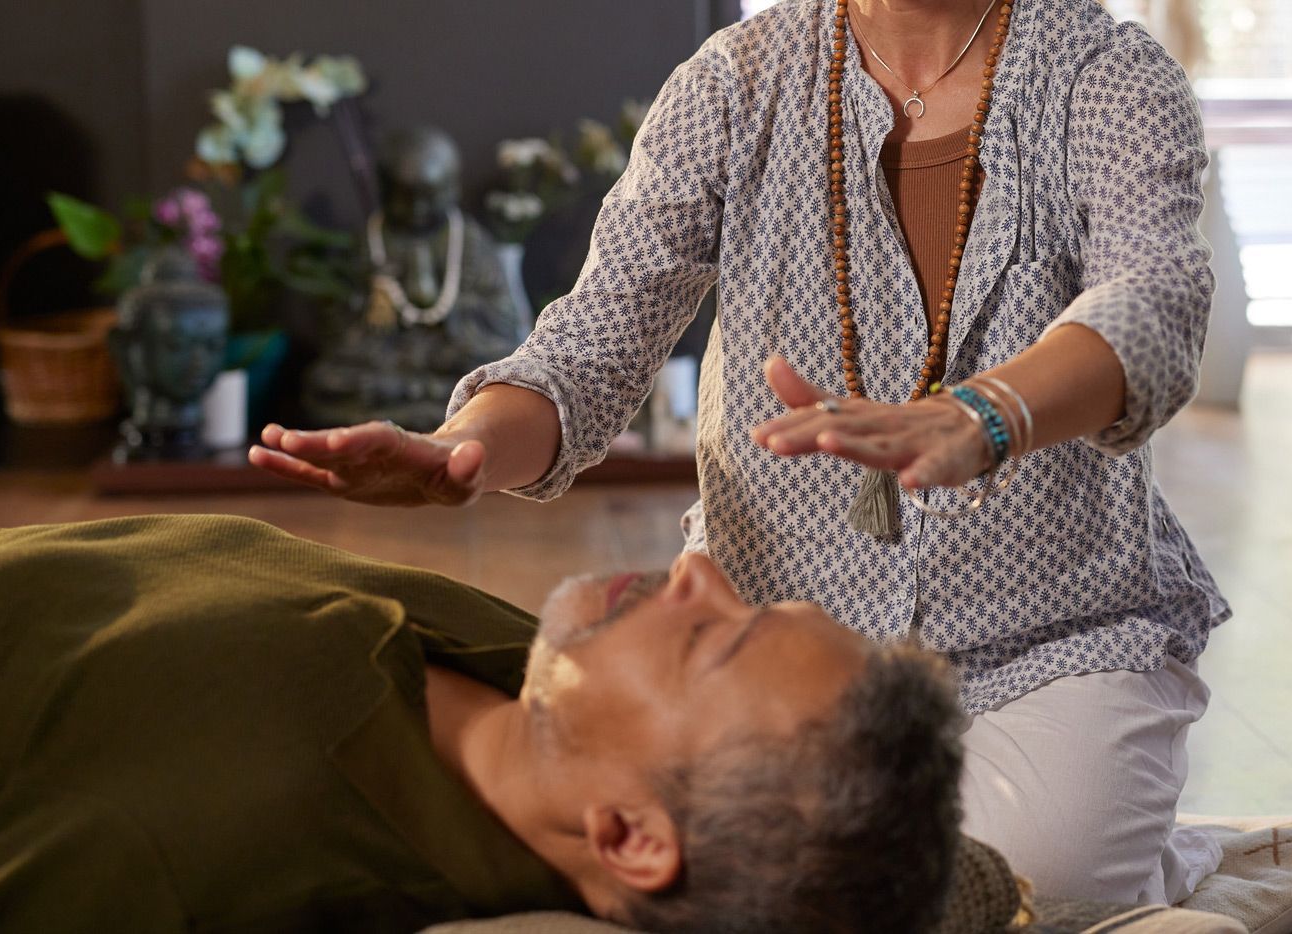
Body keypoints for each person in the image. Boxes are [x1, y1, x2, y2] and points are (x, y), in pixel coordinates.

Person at [250, 0, 1230, 905]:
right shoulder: (733, 81)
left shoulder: (1105, 73)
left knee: (1034, 876)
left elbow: (1156, 295)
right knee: (716, 867)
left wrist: (993, 412)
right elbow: (594, 339)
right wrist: (462, 448)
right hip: (762, 654)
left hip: (1053, 639)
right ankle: (1126, 845)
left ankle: (1140, 848)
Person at [0, 515, 963, 934]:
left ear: (632, 838)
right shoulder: (538, 679)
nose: (698, 571)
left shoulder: (223, 832)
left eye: (710, 640)